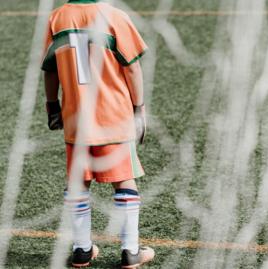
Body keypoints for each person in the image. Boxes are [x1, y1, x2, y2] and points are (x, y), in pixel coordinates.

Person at [41, 0, 154, 267]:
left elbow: (50, 69)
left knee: (79, 183)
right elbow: (132, 67)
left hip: (75, 118)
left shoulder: (57, 19)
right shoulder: (113, 15)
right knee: (124, 180)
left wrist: (52, 106)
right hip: (112, 116)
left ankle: (81, 249)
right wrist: (139, 108)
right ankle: (130, 250)